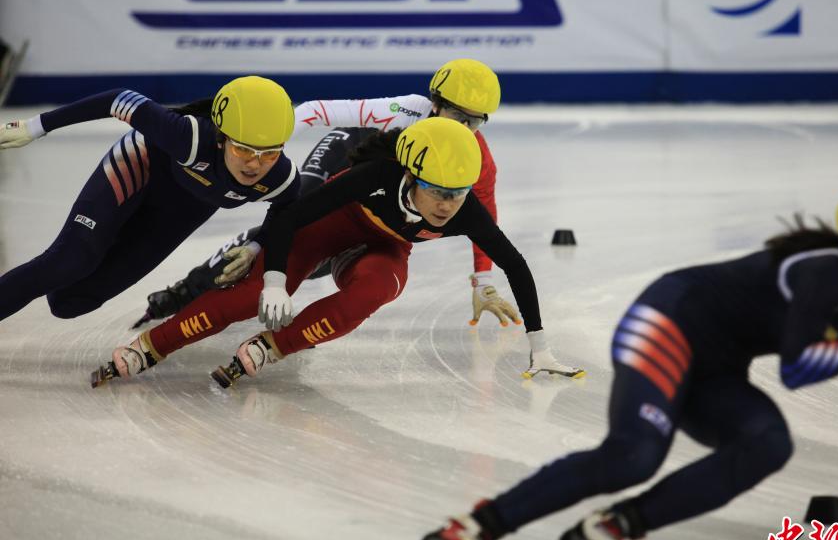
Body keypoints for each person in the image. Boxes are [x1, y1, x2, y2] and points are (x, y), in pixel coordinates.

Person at [384, 169, 838, 540]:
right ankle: (475, 529)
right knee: (634, 455)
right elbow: (798, 368)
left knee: (766, 443)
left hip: (715, 363)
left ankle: (613, 527)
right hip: (666, 326)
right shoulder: (828, 270)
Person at [94, 117, 584, 387]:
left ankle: (271, 349)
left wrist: (540, 349)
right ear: (410, 176)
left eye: (457, 194)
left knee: (377, 290)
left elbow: (515, 263)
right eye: (436, 190)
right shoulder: (375, 177)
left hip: (382, 249)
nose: (446, 205)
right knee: (250, 300)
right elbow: (291, 215)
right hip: (328, 228)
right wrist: (272, 278)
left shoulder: (463, 210)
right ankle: (150, 346)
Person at [135, 58, 519, 330]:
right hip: (345, 154)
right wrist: (269, 140)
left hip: (369, 196)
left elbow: (484, 216)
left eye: (475, 121)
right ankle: (183, 291)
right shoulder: (406, 112)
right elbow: (320, 110)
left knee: (317, 261)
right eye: (457, 115)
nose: (465, 128)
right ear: (434, 104)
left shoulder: (476, 159)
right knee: (291, 220)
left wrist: (482, 281)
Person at [0, 76, 300, 321]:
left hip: (182, 210)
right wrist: (35, 126)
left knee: (71, 302)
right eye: (242, 150)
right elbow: (118, 99)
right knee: (69, 261)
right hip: (142, 167)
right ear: (221, 139)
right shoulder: (188, 136)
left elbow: (286, 211)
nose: (254, 164)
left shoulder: (280, 178)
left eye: (269, 153)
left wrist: (255, 246)